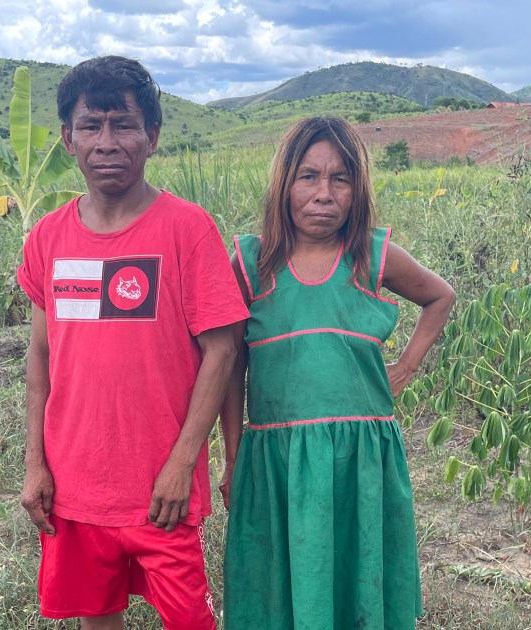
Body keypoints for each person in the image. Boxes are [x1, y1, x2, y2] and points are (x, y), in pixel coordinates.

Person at [16, 56, 248, 630]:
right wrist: (35, 464)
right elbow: (41, 356)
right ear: (68, 138)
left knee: (190, 621)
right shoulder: (47, 237)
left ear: (152, 136)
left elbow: (223, 351)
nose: (106, 142)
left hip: (160, 489)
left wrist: (182, 463)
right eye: (90, 126)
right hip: (74, 487)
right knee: (97, 617)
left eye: (123, 125)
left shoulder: (188, 228)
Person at [220, 116, 456, 629]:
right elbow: (230, 366)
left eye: (340, 179)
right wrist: (233, 458)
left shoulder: (372, 256)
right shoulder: (251, 264)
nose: (323, 194)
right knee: (279, 585)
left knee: (357, 577)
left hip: (359, 460)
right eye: (308, 176)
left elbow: (440, 296)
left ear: (357, 190)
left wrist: (405, 368)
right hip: (278, 460)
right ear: (284, 184)